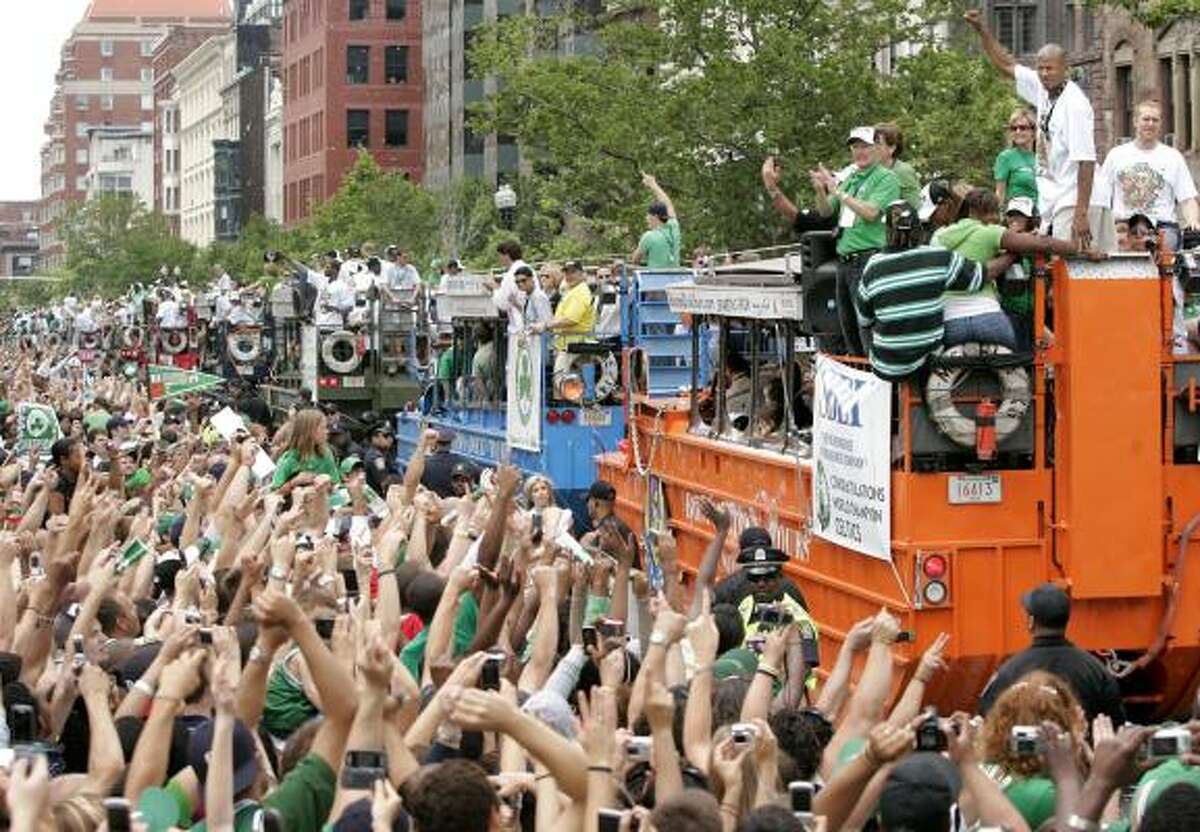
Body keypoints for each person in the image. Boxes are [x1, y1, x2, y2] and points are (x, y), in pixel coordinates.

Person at [965, 9, 1116, 252]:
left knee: (1073, 269)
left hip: (1079, 198)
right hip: (1060, 197)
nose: (1044, 74)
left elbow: (1086, 161)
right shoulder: (1041, 88)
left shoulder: (1074, 105)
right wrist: (982, 30)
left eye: (1051, 69)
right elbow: (1006, 64)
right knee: (1067, 271)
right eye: (1041, 68)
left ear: (1065, 69)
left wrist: (1081, 213)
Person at [933, 188, 1101, 350]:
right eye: (997, 213)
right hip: (987, 317)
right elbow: (1044, 244)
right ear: (987, 212)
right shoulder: (989, 232)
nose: (999, 218)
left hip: (947, 322)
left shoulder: (938, 236)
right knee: (1014, 368)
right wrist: (1073, 247)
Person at [855, 201, 986, 380]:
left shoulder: (873, 266)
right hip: (931, 364)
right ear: (919, 229)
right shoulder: (938, 256)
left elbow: (864, 319)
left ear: (887, 231)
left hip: (888, 368)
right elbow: (980, 277)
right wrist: (1011, 255)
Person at [978, 582, 1126, 724]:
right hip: (1080, 749)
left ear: (1031, 622)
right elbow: (1115, 720)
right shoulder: (1095, 671)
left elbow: (987, 715)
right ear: (1066, 620)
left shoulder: (1009, 671)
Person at [810, 126, 902, 355]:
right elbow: (825, 212)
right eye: (855, 147)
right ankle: (861, 376)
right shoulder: (851, 178)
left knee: (867, 326)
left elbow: (871, 212)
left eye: (865, 146)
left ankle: (876, 379)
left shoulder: (886, 178)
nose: (859, 152)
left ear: (877, 148)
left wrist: (839, 192)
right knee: (847, 325)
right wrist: (821, 191)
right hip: (845, 261)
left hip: (868, 258)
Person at [1100, 98, 1200, 252]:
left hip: (1162, 228)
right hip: (1123, 225)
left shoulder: (1173, 157)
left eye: (1155, 120)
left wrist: (1193, 223)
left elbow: (1188, 199)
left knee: (1165, 245)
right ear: (1135, 121)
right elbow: (1102, 197)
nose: (1150, 124)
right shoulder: (1116, 155)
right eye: (1146, 119)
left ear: (1160, 124)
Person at [530, 260, 594, 386]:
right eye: (566, 273)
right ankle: (582, 403)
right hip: (568, 344)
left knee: (561, 382)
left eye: (573, 272)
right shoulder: (573, 291)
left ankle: (580, 404)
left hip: (574, 345)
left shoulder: (580, 292)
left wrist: (545, 325)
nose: (569, 276)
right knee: (565, 382)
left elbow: (570, 319)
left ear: (582, 274)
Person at [270, 408, 342, 493]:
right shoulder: (289, 459)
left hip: (322, 503)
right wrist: (295, 482)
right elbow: (274, 494)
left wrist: (327, 482)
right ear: (309, 431)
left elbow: (336, 485)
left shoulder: (326, 454)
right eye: (323, 428)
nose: (327, 431)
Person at [631, 173, 682, 268]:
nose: (646, 219)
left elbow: (635, 260)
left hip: (655, 280)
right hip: (675, 279)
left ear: (654, 216)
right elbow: (668, 204)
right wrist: (653, 184)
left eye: (648, 216)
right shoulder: (674, 227)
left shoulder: (649, 236)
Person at [994, 108, 1039, 205]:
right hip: (1018, 216)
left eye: (1022, 128)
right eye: (1013, 128)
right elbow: (1000, 193)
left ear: (1033, 131)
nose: (1017, 131)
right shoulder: (1006, 157)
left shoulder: (1041, 158)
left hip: (1044, 215)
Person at [874, 122, 921, 209]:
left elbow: (915, 208)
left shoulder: (903, 171)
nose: (872, 147)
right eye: (870, 143)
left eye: (877, 143)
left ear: (892, 148)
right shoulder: (866, 170)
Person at [513, 265, 553, 332]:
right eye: (517, 282)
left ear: (531, 279)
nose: (520, 284)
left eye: (523, 280)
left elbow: (547, 323)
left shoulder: (539, 297)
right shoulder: (526, 297)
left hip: (540, 339)